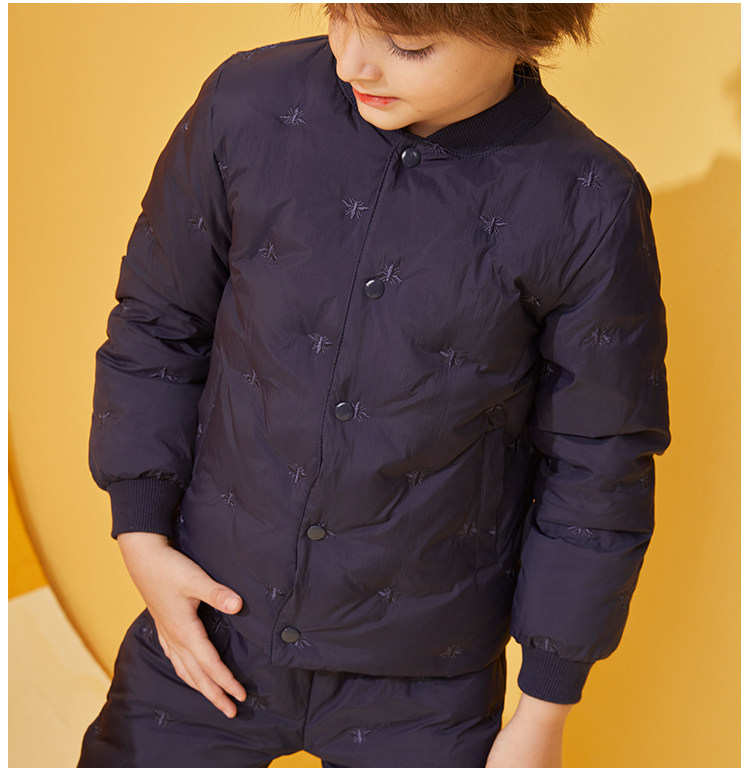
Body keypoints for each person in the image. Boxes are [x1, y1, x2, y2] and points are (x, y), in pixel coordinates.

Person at [79, 3, 670, 767]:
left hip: (427, 684)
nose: (352, 62)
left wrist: (542, 712)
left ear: (523, 30)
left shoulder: (588, 200)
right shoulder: (249, 105)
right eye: (339, 15)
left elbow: (597, 462)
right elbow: (159, 322)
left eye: (407, 46)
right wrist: (140, 537)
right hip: (205, 626)